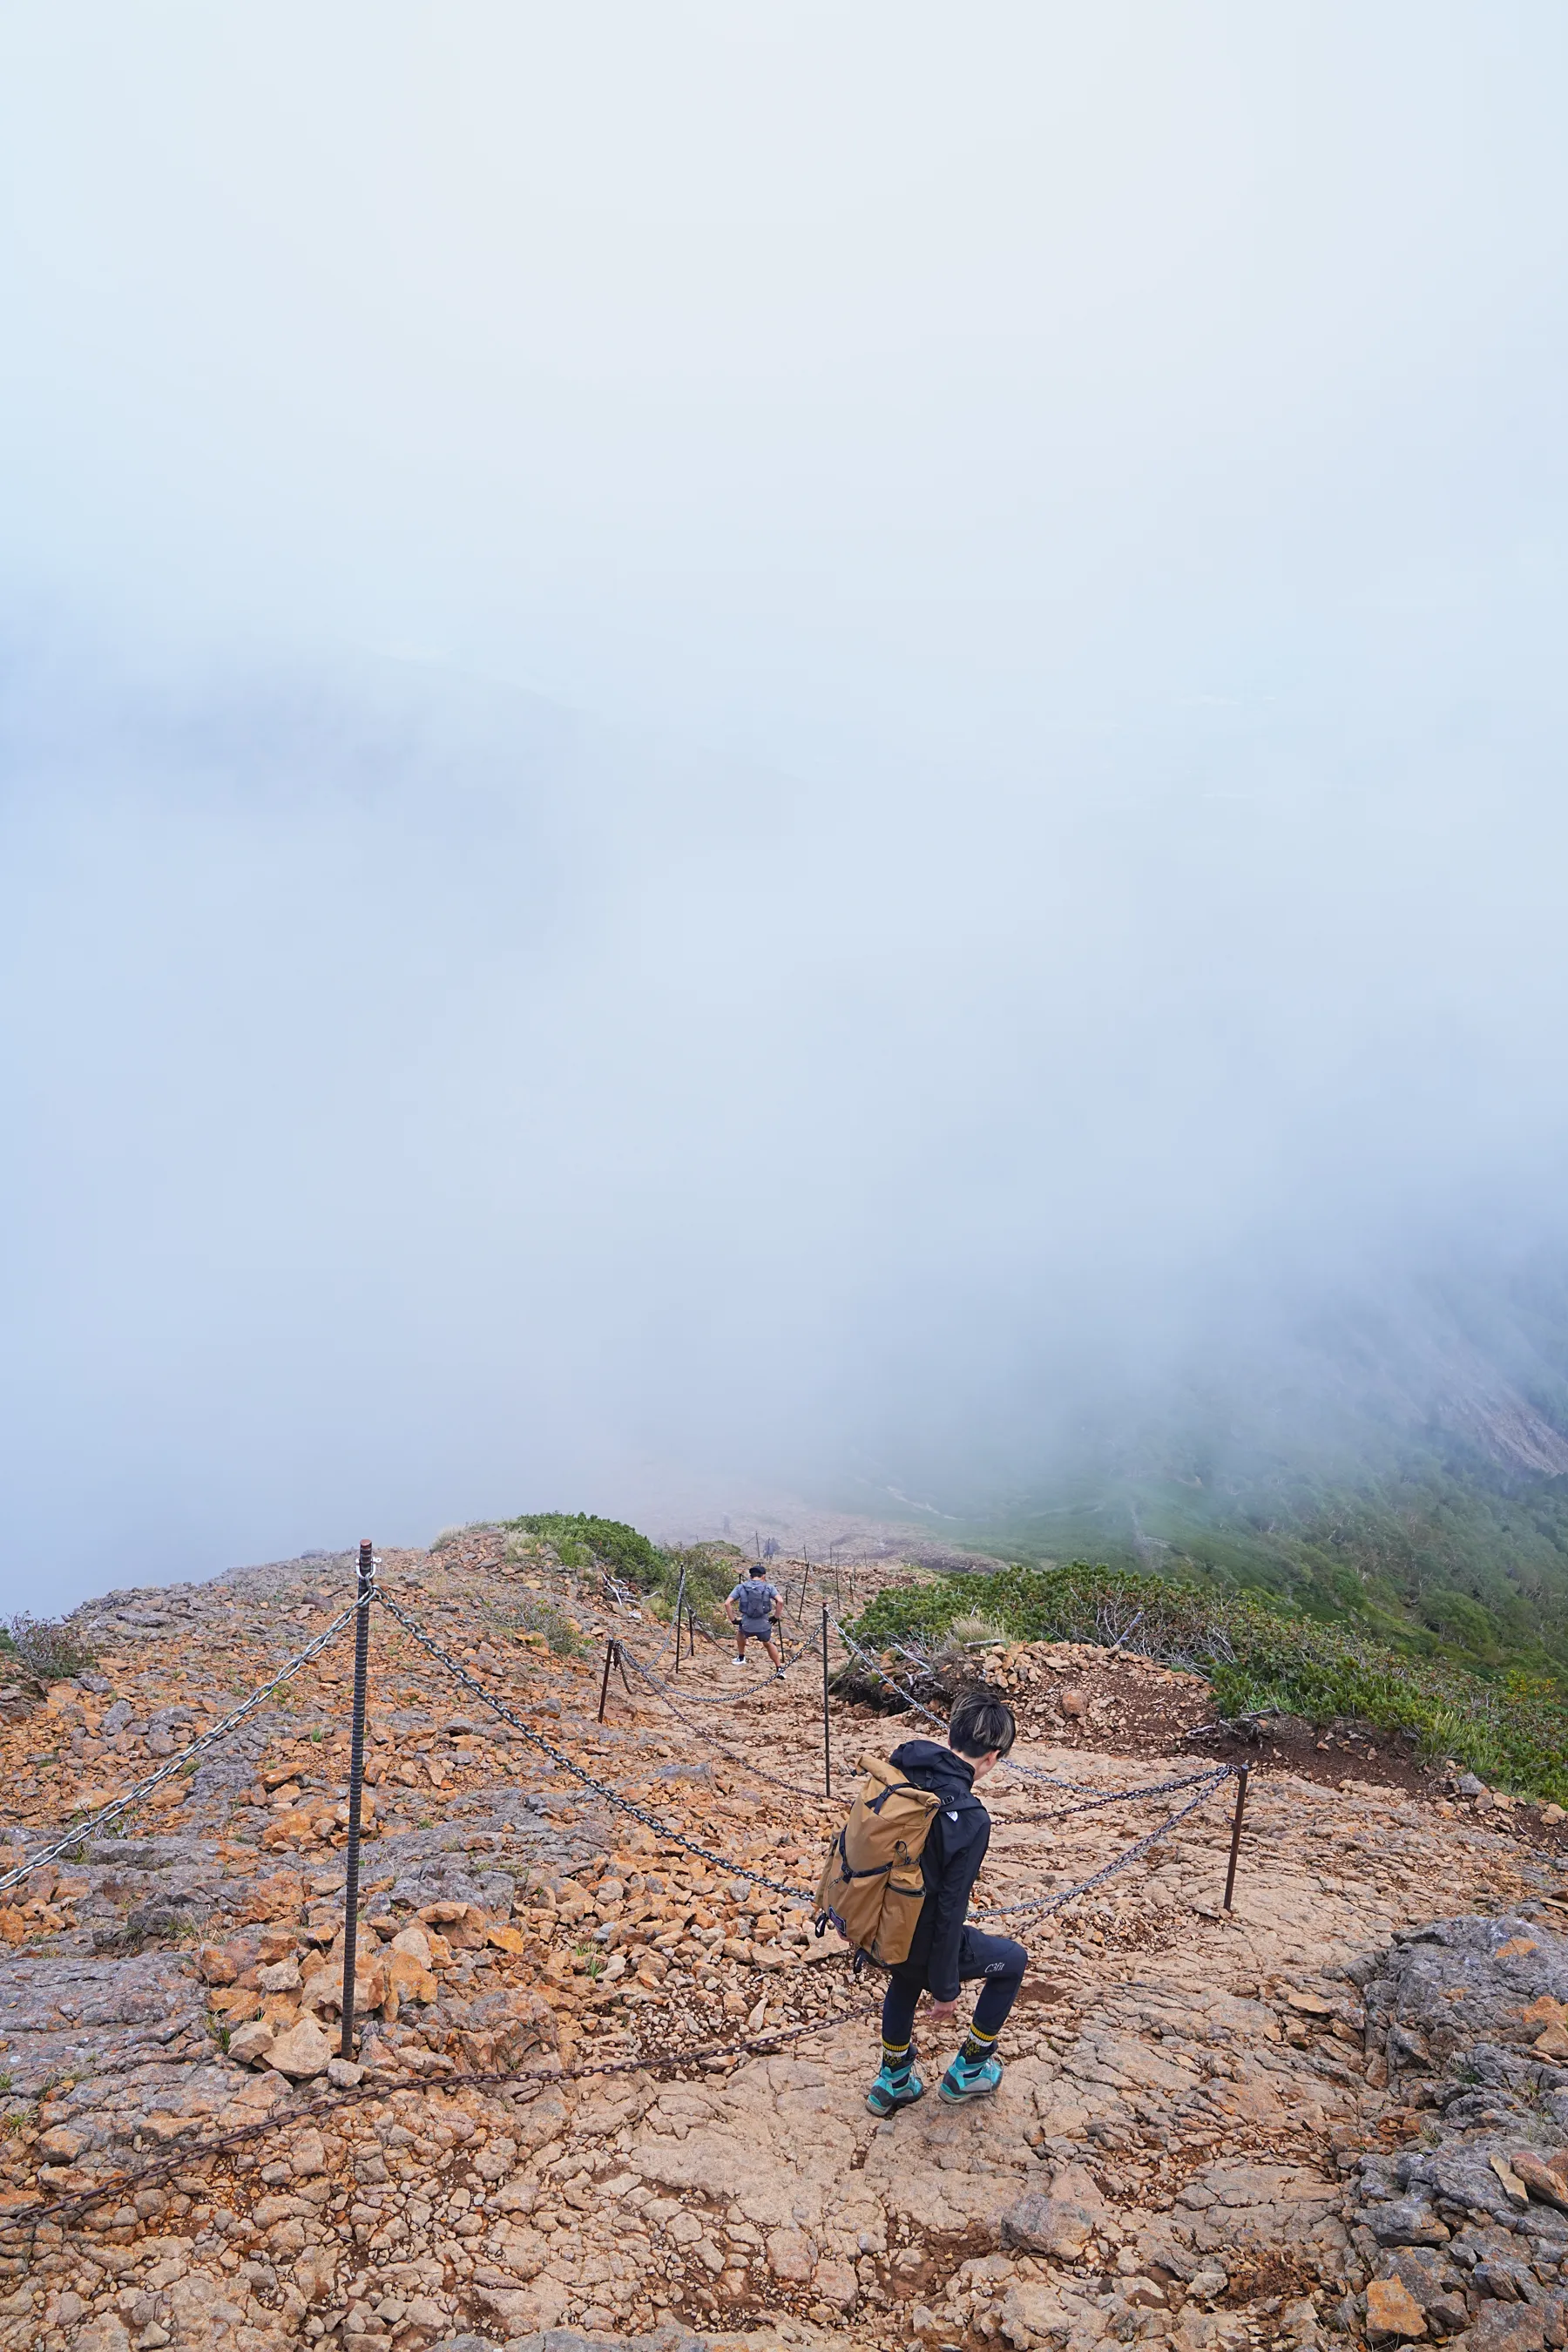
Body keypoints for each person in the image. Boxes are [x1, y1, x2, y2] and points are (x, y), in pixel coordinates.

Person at [866, 1685, 1026, 2114]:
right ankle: (970, 2070)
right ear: (991, 1758)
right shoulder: (971, 1818)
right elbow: (949, 1910)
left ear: (951, 1736)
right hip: (921, 1936)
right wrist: (946, 1987)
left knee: (904, 1977)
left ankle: (894, 2078)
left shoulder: (903, 1769)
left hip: (880, 1924)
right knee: (1012, 1962)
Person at [725, 1564, 785, 1677]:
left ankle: (741, 1657)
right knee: (768, 1643)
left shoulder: (741, 1587)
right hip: (763, 1623)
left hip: (747, 1623)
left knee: (740, 1633)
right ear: (763, 1576)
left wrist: (733, 1620)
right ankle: (779, 1668)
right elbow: (780, 1601)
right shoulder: (769, 1587)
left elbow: (727, 1603)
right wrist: (776, 1617)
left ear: (751, 1576)